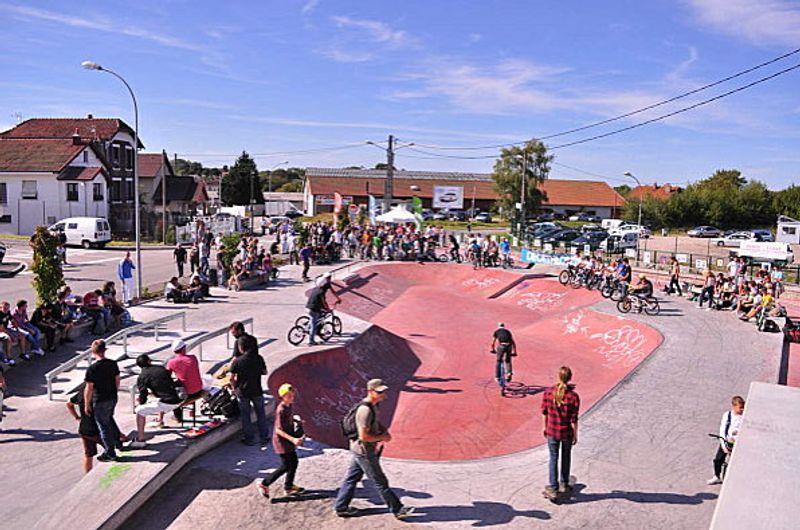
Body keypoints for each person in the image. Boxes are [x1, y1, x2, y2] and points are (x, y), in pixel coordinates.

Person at [334, 379, 414, 520]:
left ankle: (341, 507)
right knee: (380, 482)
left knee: (351, 479)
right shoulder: (365, 410)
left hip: (359, 450)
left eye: (383, 391)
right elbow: (364, 436)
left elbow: (375, 423)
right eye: (379, 392)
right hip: (364, 451)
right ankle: (398, 510)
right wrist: (382, 437)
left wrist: (383, 429)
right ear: (370, 391)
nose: (383, 394)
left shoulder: (374, 406)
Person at [257, 383, 306, 498]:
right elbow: (278, 430)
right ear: (282, 397)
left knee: (293, 463)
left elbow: (289, 417)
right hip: (281, 442)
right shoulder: (281, 409)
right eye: (288, 395)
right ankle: (264, 483)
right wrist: (293, 439)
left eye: (292, 394)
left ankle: (289, 487)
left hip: (287, 440)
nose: (291, 397)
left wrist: (297, 421)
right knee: (286, 466)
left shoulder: (289, 406)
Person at [541, 366, 580, 501]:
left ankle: (553, 487)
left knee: (553, 458)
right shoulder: (573, 397)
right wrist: (575, 434)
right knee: (566, 456)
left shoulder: (548, 393)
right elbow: (573, 419)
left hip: (552, 430)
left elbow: (544, 412)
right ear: (570, 378)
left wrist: (544, 427)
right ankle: (564, 483)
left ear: (558, 377)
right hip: (566, 432)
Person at [131, 354, 183, 448]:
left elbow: (143, 395)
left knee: (140, 411)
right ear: (149, 361)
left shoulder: (142, 377)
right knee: (158, 399)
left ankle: (140, 439)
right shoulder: (161, 368)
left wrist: (140, 403)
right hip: (177, 397)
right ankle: (160, 421)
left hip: (168, 403)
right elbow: (166, 383)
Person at [84, 339, 122, 462]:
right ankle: (118, 441)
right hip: (112, 397)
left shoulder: (92, 369)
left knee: (103, 425)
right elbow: (117, 380)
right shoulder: (112, 363)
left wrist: (86, 404)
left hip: (100, 399)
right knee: (109, 418)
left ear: (93, 351)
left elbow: (89, 388)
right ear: (104, 350)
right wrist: (114, 391)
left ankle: (110, 452)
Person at [229, 331, 268, 446]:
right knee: (261, 414)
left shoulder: (237, 361)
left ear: (241, 347)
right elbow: (265, 371)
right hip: (257, 390)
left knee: (246, 416)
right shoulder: (258, 358)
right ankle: (264, 437)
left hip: (243, 392)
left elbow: (231, 378)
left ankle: (249, 439)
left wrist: (234, 388)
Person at [66, 383, 105, 473]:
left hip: (84, 429)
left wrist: (77, 417)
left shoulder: (82, 392)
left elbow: (69, 404)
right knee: (113, 449)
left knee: (88, 455)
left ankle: (88, 475)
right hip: (97, 430)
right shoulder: (99, 394)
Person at [708, 396, 745, 485]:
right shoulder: (727, 415)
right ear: (734, 406)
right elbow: (723, 430)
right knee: (718, 459)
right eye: (740, 407)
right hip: (727, 441)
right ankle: (717, 476)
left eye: (743, 407)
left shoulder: (744, 416)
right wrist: (724, 445)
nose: (742, 410)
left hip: (738, 443)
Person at [491, 323, 517, 397]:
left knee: (498, 361)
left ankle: (497, 376)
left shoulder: (496, 332)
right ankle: (509, 372)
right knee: (508, 360)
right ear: (504, 327)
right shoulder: (508, 331)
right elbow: (513, 342)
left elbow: (493, 342)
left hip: (501, 346)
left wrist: (492, 349)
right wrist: (515, 351)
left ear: (498, 327)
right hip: (509, 346)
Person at [305, 281, 328, 346]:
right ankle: (311, 341)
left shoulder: (315, 289)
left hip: (308, 307)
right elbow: (323, 302)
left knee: (312, 320)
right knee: (314, 325)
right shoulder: (321, 292)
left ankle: (307, 328)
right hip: (313, 309)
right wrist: (326, 308)